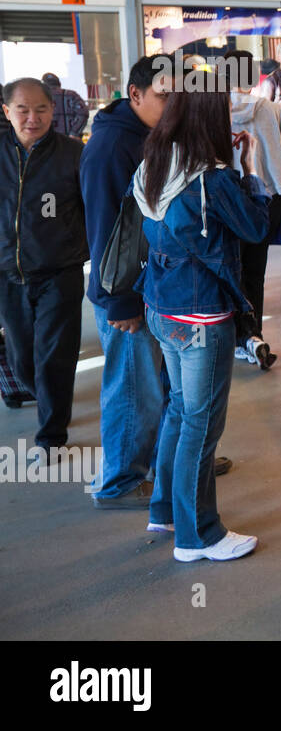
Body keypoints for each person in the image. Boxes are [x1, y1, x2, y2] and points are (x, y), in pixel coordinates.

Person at [132, 86, 269, 562]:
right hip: (201, 315)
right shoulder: (213, 180)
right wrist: (248, 168)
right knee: (200, 424)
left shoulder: (155, 162)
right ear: (211, 121)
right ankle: (198, 536)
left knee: (179, 410)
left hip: (160, 305)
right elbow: (256, 228)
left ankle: (165, 509)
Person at [81, 56, 173, 507]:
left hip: (148, 286)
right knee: (133, 386)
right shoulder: (112, 147)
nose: (172, 103)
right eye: (163, 94)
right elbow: (103, 228)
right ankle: (119, 480)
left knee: (155, 383)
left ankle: (165, 459)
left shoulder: (149, 136)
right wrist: (120, 301)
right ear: (134, 95)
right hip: (124, 292)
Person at [0, 78, 88, 456]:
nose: (32, 118)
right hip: (8, 272)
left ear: (53, 111)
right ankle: (51, 401)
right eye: (22, 109)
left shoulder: (74, 154)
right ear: (7, 112)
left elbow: (93, 210)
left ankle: (51, 435)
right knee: (22, 358)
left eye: (41, 109)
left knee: (55, 354)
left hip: (59, 272)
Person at [226, 50, 281, 367]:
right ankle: (253, 334)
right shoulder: (274, 111)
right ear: (254, 78)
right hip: (269, 199)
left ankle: (238, 337)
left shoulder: (213, 113)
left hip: (228, 200)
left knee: (229, 269)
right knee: (256, 271)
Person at [41, 73, 89, 139]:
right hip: (69, 142)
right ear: (59, 83)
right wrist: (74, 133)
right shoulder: (71, 95)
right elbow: (83, 113)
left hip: (46, 142)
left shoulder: (39, 97)